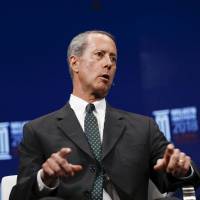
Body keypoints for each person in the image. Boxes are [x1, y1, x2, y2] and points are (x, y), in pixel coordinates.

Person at [10, 30, 200, 200]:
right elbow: (18, 195)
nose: (108, 63)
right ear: (74, 63)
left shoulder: (143, 127)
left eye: (113, 59)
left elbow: (175, 173)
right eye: (99, 55)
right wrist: (45, 177)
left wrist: (182, 168)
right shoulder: (38, 130)